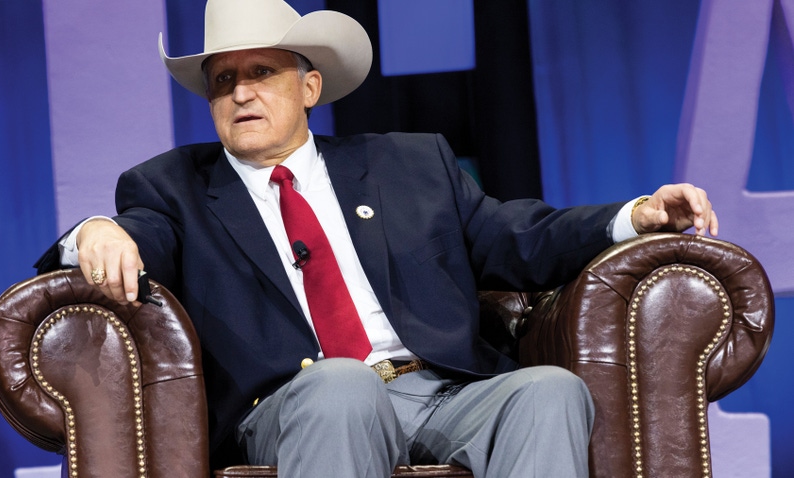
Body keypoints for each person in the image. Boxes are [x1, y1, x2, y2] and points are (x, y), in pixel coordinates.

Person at [35, 0, 718, 476]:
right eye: (224, 81)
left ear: (309, 86)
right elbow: (138, 236)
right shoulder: (172, 186)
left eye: (261, 73)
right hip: (293, 403)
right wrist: (95, 230)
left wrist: (637, 217)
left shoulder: (409, 163)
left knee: (547, 392)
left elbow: (518, 237)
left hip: (440, 390)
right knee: (342, 388)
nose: (241, 93)